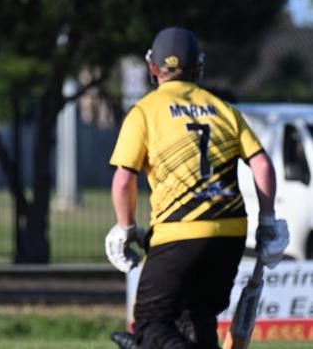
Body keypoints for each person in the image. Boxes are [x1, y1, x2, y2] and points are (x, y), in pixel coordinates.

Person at [105, 27, 289, 349]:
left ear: (153, 68)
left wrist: (125, 228)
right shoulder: (224, 109)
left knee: (150, 326)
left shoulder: (144, 111)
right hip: (230, 233)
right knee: (198, 317)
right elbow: (261, 164)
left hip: (179, 232)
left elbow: (123, 180)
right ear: (197, 68)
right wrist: (269, 220)